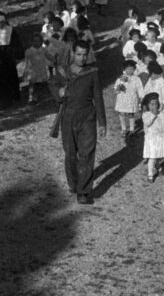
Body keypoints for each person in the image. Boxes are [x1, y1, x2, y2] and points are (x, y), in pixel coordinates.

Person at [51, 40, 107, 205]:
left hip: (87, 117)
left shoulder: (92, 72)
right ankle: (74, 184)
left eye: (85, 55)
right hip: (68, 117)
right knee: (70, 153)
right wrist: (59, 92)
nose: (82, 58)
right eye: (78, 54)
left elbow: (98, 96)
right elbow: (52, 84)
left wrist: (102, 122)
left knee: (87, 154)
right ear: (72, 54)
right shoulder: (63, 72)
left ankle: (84, 191)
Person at [141, 92, 164, 182]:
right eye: (151, 104)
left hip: (160, 138)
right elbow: (147, 123)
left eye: (156, 104)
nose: (154, 106)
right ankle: (150, 174)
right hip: (151, 139)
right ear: (147, 105)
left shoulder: (161, 114)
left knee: (160, 156)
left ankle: (158, 166)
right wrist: (154, 115)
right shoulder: (146, 115)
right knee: (152, 157)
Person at [114, 60, 144, 138]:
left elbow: (140, 88)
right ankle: (123, 129)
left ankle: (132, 129)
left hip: (131, 98)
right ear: (124, 69)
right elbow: (116, 87)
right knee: (122, 113)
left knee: (131, 114)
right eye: (128, 69)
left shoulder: (136, 79)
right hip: (122, 98)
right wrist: (119, 87)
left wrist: (141, 96)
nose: (129, 71)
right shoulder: (121, 78)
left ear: (134, 69)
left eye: (131, 69)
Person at [24, 33, 49, 103]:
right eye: (34, 41)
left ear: (41, 42)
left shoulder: (43, 49)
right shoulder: (29, 51)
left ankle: (37, 96)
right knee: (32, 84)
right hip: (33, 70)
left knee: (40, 84)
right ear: (31, 42)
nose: (37, 43)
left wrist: (54, 59)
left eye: (38, 41)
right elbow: (27, 61)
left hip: (41, 69)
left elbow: (48, 56)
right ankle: (30, 97)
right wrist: (26, 71)